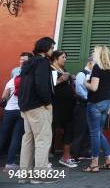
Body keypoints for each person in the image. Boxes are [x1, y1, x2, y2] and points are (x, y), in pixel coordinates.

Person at [18, 37, 58, 184]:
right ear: (46, 48)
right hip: (38, 106)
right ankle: (39, 175)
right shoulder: (42, 62)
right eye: (52, 48)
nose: (52, 50)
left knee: (28, 139)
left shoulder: (28, 62)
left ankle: (24, 175)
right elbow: (41, 84)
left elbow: (22, 85)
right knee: (43, 139)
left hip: (25, 106)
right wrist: (47, 102)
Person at [83, 45, 110, 173]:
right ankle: (109, 161)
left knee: (94, 133)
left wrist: (84, 82)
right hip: (106, 102)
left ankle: (94, 163)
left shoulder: (97, 67)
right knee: (99, 132)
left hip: (95, 103)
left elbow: (94, 87)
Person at [50, 50, 77, 168]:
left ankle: (66, 157)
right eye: (63, 57)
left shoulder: (64, 70)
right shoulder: (49, 69)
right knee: (50, 131)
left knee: (69, 130)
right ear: (56, 58)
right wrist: (61, 80)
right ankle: (44, 159)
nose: (65, 59)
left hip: (68, 106)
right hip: (55, 106)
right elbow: (46, 85)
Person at [0, 68, 25, 170]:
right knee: (16, 137)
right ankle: (10, 163)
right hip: (21, 112)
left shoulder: (11, 81)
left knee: (3, 135)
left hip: (9, 111)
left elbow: (4, 97)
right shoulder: (29, 81)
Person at [71, 57, 94, 161]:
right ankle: (75, 154)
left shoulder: (92, 75)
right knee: (80, 130)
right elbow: (79, 90)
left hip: (88, 104)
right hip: (82, 105)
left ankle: (84, 152)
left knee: (87, 129)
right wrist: (90, 99)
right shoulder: (82, 74)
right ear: (90, 63)